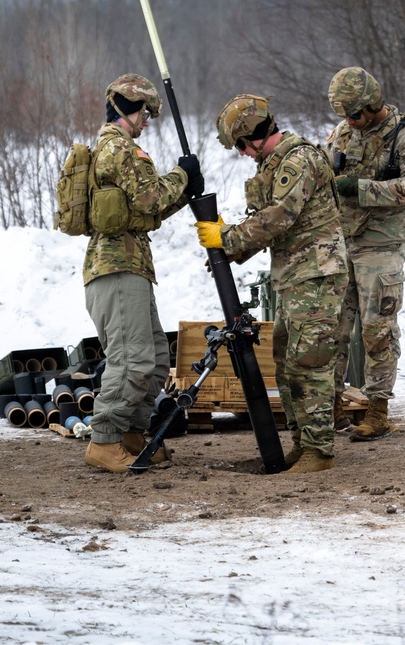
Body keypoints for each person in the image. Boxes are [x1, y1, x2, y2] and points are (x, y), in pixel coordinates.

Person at [195, 94, 347, 474]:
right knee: (287, 362)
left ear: (253, 137)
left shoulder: (298, 161)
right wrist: (230, 242)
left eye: (242, 146)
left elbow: (279, 218)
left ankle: (319, 451)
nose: (243, 154)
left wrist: (227, 240)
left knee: (308, 365)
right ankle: (304, 443)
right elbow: (270, 219)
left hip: (316, 277)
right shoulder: (279, 163)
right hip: (297, 278)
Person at [83, 73, 204, 474]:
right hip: (116, 269)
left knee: (152, 359)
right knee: (132, 360)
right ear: (128, 110)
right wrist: (182, 175)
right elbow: (151, 195)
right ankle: (104, 441)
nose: (148, 122)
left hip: (130, 267)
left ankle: (133, 435)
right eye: (146, 114)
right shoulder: (119, 149)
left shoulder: (119, 149)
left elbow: (146, 212)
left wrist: (183, 190)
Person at [327, 66, 405, 441]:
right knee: (334, 327)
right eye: (344, 115)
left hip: (382, 242)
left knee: (377, 329)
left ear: (372, 104)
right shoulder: (341, 133)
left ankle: (377, 411)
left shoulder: (404, 136)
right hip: (345, 240)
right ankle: (332, 406)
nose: (350, 122)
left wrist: (362, 188)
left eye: (355, 114)